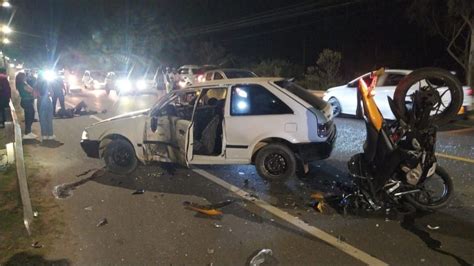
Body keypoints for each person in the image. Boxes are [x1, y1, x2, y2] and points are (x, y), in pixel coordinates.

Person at [16, 72, 37, 139]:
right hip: (27, 101)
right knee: (30, 116)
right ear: (22, 77)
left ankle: (28, 132)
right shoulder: (23, 84)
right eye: (25, 76)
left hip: (25, 101)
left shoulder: (20, 83)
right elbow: (31, 90)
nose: (26, 77)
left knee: (29, 116)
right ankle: (27, 133)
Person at [36, 74, 55, 141]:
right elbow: (52, 94)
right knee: (49, 118)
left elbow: (34, 94)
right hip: (47, 100)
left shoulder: (36, 84)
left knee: (42, 119)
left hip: (40, 101)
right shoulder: (47, 84)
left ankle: (44, 135)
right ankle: (50, 135)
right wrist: (48, 95)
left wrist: (39, 96)